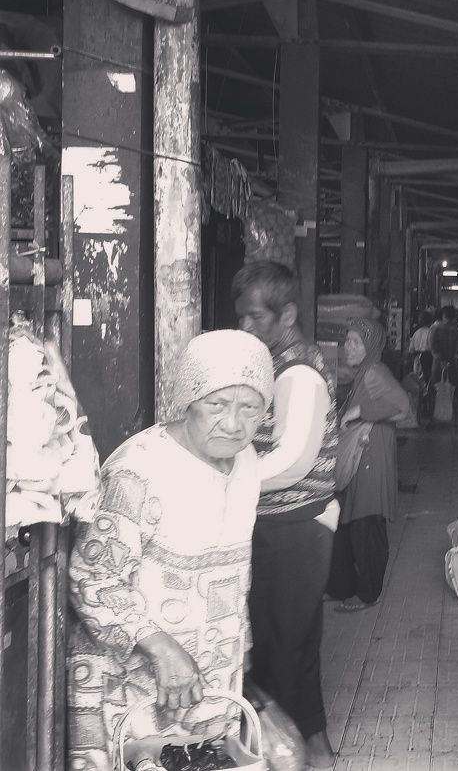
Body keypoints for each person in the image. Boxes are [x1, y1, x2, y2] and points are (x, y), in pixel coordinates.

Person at [67, 330, 274, 771]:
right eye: (217, 404)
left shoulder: (247, 461)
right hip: (131, 692)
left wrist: (242, 644)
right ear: (188, 399)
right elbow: (91, 577)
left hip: (207, 687)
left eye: (250, 408)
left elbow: (235, 567)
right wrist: (160, 646)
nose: (233, 423)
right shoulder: (139, 469)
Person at [232, 260, 339, 769]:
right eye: (242, 315)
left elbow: (294, 460)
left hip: (296, 527)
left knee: (287, 643)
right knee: (281, 640)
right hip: (280, 524)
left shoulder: (299, 373)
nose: (245, 326)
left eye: (256, 317)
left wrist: (229, 482)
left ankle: (301, 750)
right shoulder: (275, 364)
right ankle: (299, 747)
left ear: (288, 315)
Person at [326, 317, 410, 612]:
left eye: (356, 342)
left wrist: (362, 410)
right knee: (347, 523)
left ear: (370, 346)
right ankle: (341, 586)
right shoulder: (363, 372)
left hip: (371, 456)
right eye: (347, 341)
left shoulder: (374, 372)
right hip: (361, 454)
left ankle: (367, 593)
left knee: (366, 524)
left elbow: (403, 408)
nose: (347, 347)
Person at [430, 305, 458, 423]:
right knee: (456, 391)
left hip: (438, 364)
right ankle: (457, 419)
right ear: (454, 317)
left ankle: (433, 419)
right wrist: (451, 361)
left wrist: (441, 361)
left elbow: (433, 349)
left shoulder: (435, 330)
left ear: (443, 316)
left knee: (434, 390)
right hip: (453, 365)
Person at [407, 309, 434, 422]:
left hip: (417, 359)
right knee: (429, 383)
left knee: (418, 383)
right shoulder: (431, 332)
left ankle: (419, 408)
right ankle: (427, 408)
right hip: (429, 358)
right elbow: (433, 347)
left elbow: (411, 349)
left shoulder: (416, 333)